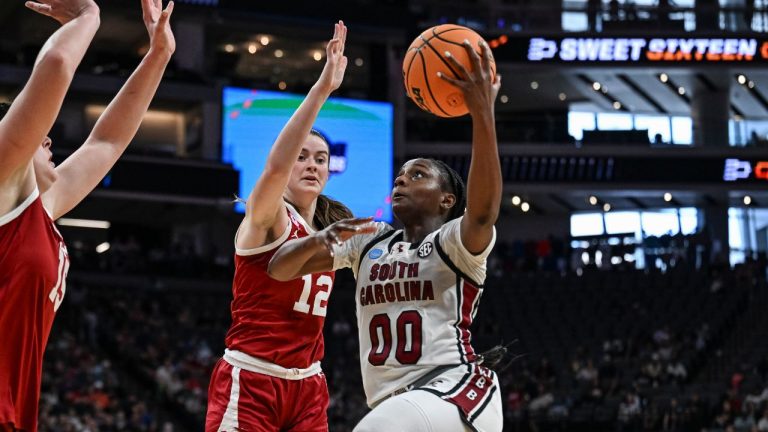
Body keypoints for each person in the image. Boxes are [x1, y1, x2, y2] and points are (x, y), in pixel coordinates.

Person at [268, 39, 503, 432]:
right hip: (397, 404)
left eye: (418, 175)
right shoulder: (369, 241)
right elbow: (278, 269)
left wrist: (482, 113)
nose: (402, 179)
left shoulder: (453, 244)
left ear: (447, 200)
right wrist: (318, 240)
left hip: (452, 390)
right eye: (400, 174)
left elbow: (482, 212)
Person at [0, 0, 175, 430]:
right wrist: (88, 15)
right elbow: (57, 64)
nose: (49, 141)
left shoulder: (41, 209)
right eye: (40, 137)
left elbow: (107, 143)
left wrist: (158, 57)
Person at [204, 21, 353, 432]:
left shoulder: (330, 228)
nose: (311, 165)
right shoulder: (268, 217)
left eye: (320, 159)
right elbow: (275, 165)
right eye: (302, 157)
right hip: (252, 380)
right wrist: (322, 89)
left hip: (308, 386)